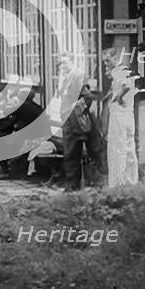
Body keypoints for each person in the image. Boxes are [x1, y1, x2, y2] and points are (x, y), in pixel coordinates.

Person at [63, 82, 102, 190]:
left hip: (82, 121)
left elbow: (88, 96)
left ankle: (95, 181)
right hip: (71, 122)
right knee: (71, 155)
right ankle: (73, 184)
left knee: (94, 152)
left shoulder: (77, 82)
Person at [107, 64, 139, 188]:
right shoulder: (130, 76)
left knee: (118, 149)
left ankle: (118, 181)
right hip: (128, 116)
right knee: (129, 148)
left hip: (119, 116)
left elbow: (126, 85)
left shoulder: (120, 73)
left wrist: (119, 97)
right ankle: (131, 179)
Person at [57, 53, 85, 191]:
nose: (63, 66)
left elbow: (82, 96)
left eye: (65, 63)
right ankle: (72, 183)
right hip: (67, 117)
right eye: (61, 64)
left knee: (71, 151)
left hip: (74, 118)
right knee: (70, 150)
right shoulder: (66, 77)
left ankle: (72, 184)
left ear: (73, 62)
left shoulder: (77, 76)